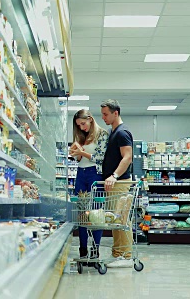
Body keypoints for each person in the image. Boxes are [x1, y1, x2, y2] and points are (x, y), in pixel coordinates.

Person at [69, 109, 109, 263]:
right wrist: (76, 153)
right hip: (81, 174)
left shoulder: (102, 135)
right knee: (82, 214)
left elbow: (100, 158)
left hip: (95, 174)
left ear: (90, 119)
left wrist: (82, 152)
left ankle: (95, 248)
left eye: (83, 124)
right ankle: (83, 248)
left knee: (96, 214)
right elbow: (80, 159)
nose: (81, 127)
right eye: (78, 125)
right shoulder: (81, 136)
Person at [100, 99, 134, 268]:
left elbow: (127, 157)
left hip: (119, 182)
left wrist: (114, 175)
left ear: (116, 113)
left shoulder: (122, 132)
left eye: (106, 114)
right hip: (114, 183)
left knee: (121, 220)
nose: (103, 117)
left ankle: (126, 256)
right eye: (102, 114)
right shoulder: (112, 131)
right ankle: (118, 253)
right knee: (116, 219)